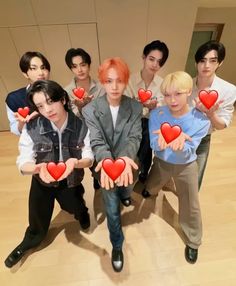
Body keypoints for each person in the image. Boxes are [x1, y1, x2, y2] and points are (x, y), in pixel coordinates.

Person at [4, 80, 94, 268]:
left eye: (50, 101)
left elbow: (89, 157)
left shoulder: (81, 126)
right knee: (37, 215)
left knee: (75, 205)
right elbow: (24, 160)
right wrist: (37, 168)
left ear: (62, 98)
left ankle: (82, 213)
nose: (47, 109)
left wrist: (75, 162)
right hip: (42, 179)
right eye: (40, 106)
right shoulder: (32, 127)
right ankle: (29, 241)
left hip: (70, 179)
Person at [141, 71, 210, 264]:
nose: (172, 100)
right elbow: (154, 144)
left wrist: (182, 144)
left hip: (186, 166)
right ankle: (149, 190)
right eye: (167, 95)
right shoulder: (157, 114)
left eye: (178, 94)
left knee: (191, 202)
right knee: (153, 181)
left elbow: (191, 149)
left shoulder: (201, 120)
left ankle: (193, 240)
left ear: (189, 92)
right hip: (162, 161)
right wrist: (161, 143)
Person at [82, 57, 142, 272]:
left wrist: (126, 158)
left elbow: (135, 137)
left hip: (128, 163)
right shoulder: (90, 110)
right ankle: (117, 245)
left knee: (126, 189)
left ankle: (125, 195)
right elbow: (96, 140)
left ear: (126, 81)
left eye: (119, 80)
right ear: (102, 82)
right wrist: (107, 161)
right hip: (106, 167)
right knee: (111, 208)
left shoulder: (135, 106)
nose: (114, 86)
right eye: (109, 81)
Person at [189, 40, 236, 189]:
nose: (207, 66)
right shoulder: (186, 85)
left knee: (194, 183)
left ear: (219, 63)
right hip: (181, 137)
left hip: (202, 139)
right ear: (197, 62)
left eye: (212, 60)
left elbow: (222, 125)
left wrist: (211, 114)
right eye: (202, 60)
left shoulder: (228, 90)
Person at [125, 40, 169, 198]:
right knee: (133, 152)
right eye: (151, 59)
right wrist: (146, 106)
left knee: (147, 150)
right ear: (143, 57)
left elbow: (164, 108)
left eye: (159, 62)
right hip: (133, 122)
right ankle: (131, 178)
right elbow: (127, 107)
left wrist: (151, 108)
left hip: (152, 123)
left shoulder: (163, 84)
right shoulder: (130, 80)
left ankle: (144, 171)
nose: (155, 64)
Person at [64, 48, 105, 190]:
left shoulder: (101, 87)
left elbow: (104, 112)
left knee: (99, 161)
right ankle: (82, 186)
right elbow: (71, 117)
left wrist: (87, 108)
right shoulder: (67, 91)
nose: (79, 70)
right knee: (82, 162)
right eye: (74, 66)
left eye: (83, 65)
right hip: (79, 133)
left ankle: (97, 178)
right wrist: (82, 108)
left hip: (99, 130)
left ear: (89, 65)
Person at [5, 51, 51, 135]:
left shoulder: (57, 93)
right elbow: (15, 130)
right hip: (34, 143)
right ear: (25, 74)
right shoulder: (14, 98)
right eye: (34, 68)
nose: (40, 73)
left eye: (43, 67)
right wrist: (22, 122)